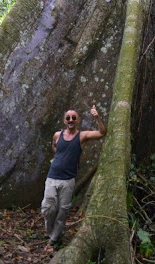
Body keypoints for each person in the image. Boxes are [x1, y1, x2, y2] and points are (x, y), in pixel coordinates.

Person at [41, 105, 107, 252]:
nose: (71, 120)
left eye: (74, 118)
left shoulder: (82, 136)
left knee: (62, 211)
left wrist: (97, 117)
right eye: (68, 118)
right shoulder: (57, 135)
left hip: (68, 180)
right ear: (64, 121)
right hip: (52, 177)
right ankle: (49, 232)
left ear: (78, 121)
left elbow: (102, 133)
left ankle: (52, 241)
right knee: (48, 208)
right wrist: (59, 157)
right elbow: (54, 146)